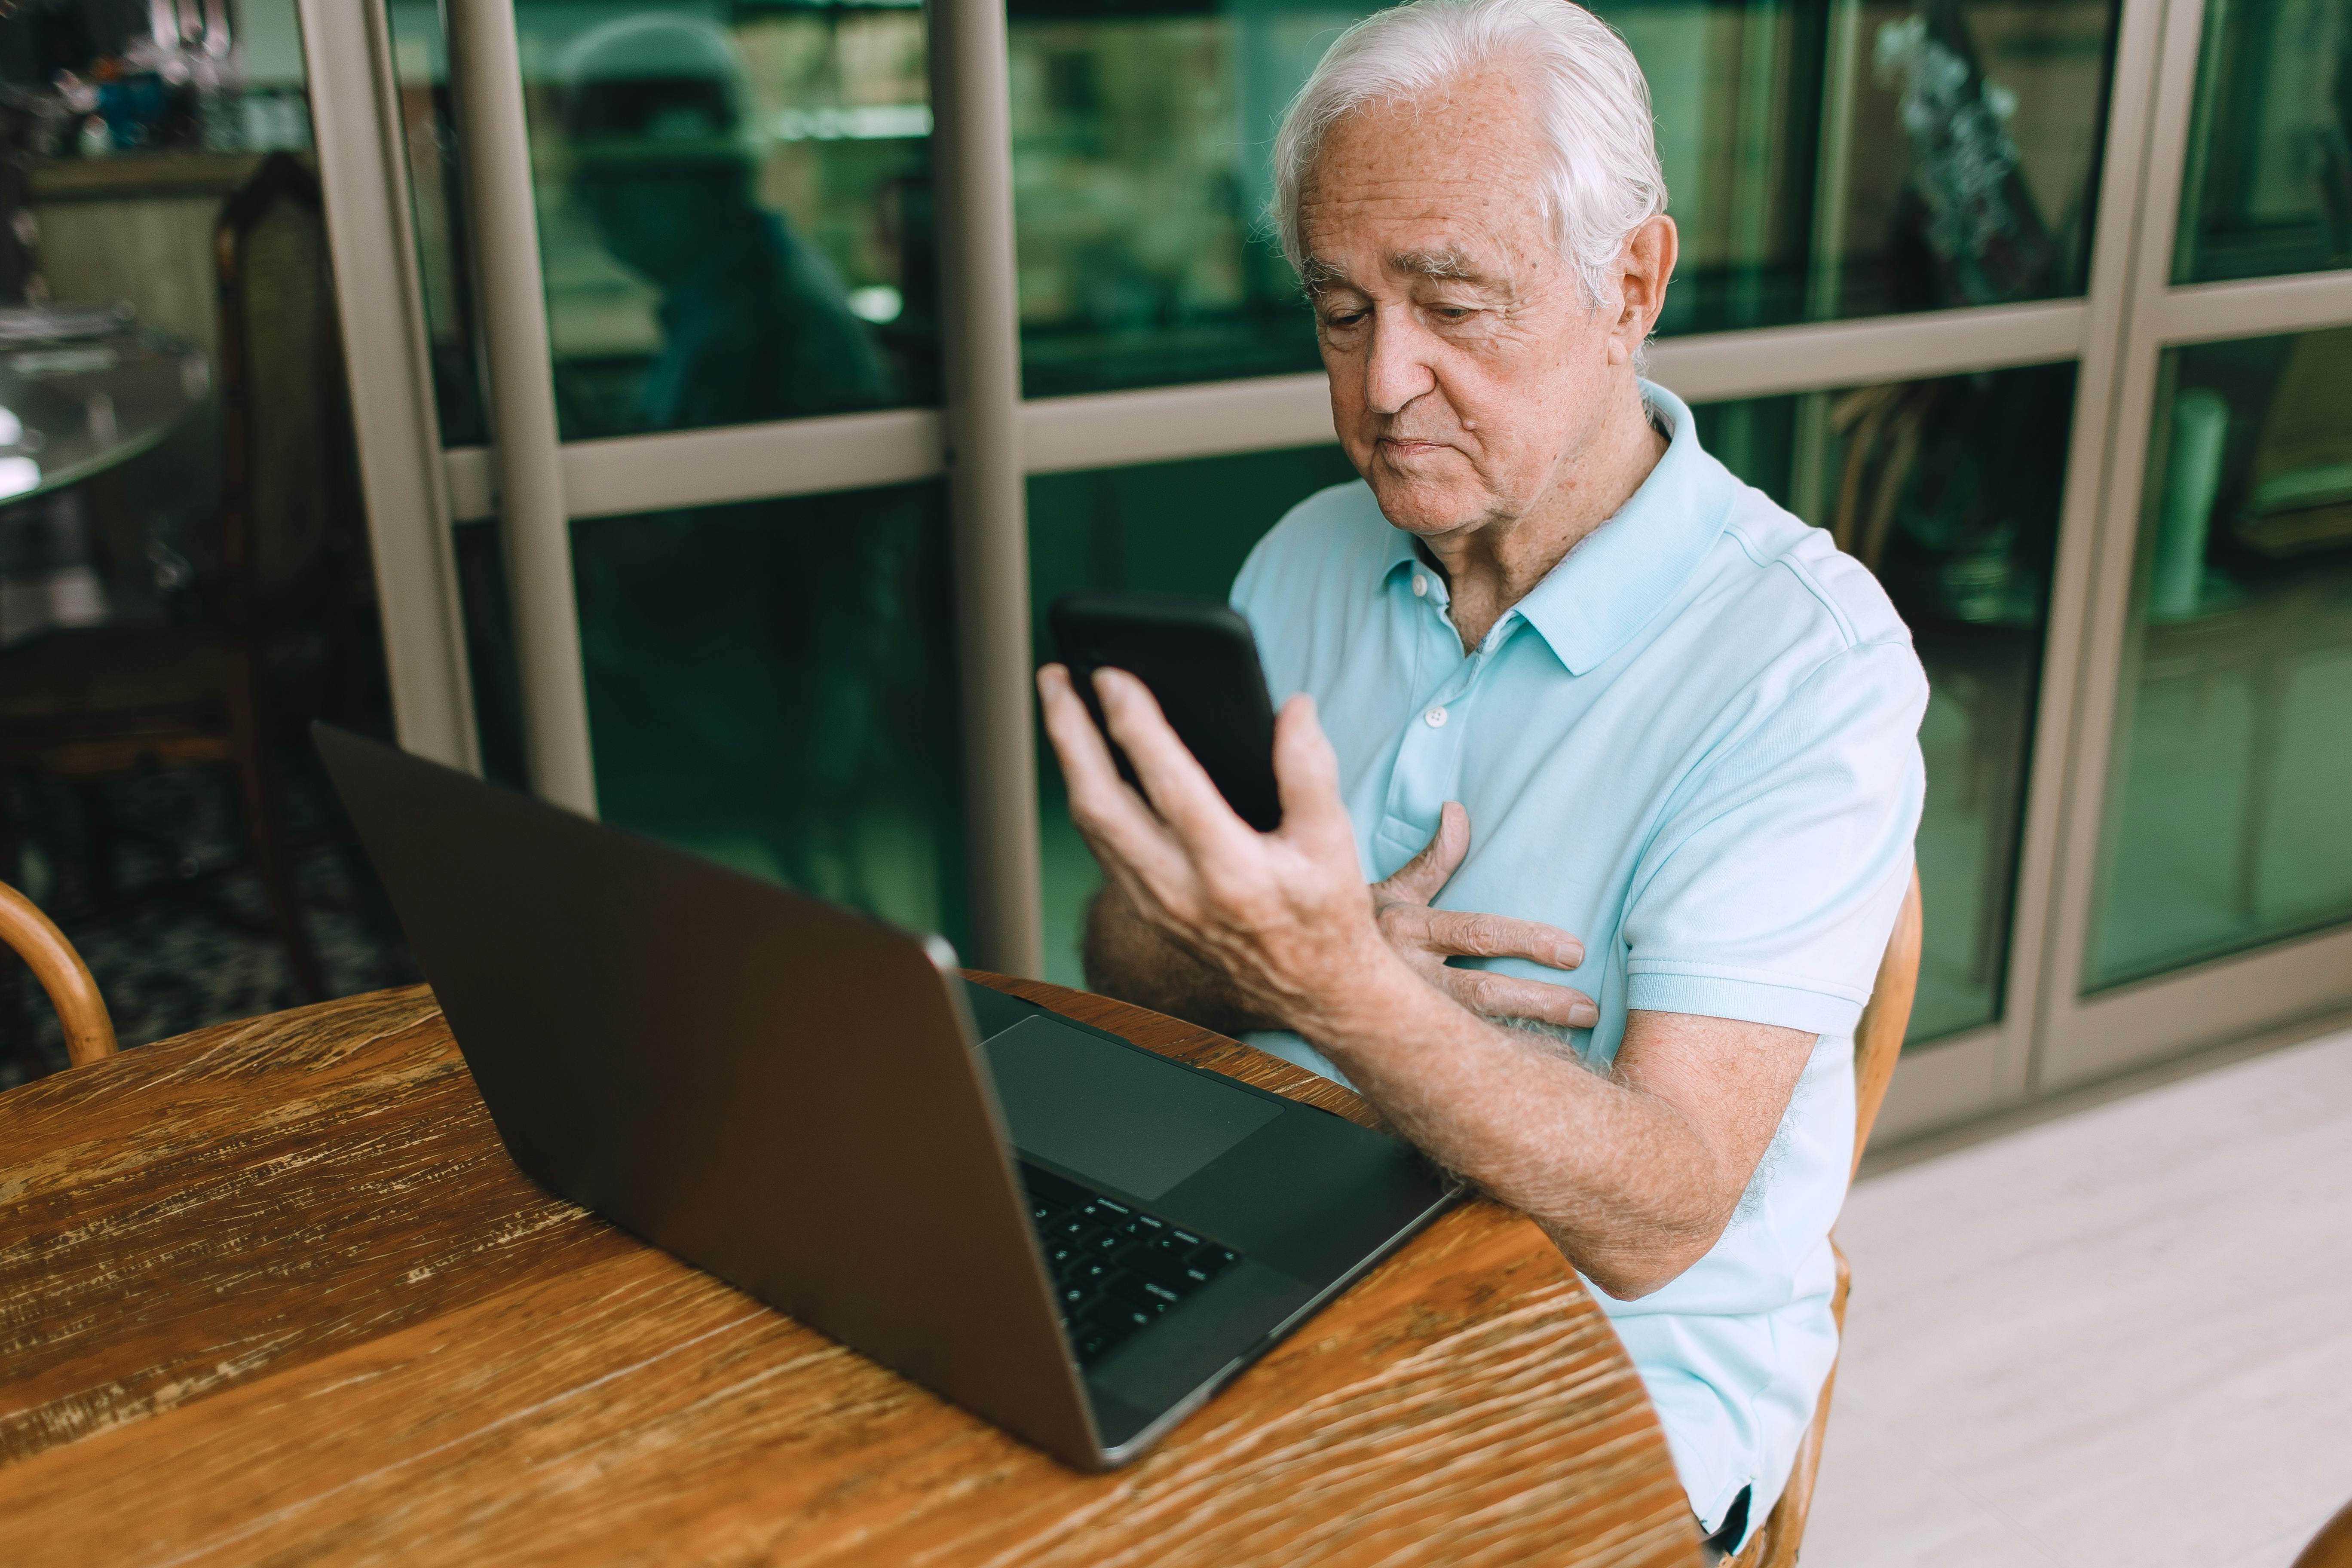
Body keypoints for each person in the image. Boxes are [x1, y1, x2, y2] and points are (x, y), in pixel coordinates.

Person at [1033, 0, 1927, 1555]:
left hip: (1599, 1367)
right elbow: (1130, 964)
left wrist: (1334, 987)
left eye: (1455, 304)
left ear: (1631, 286)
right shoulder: (1306, 558)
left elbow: (1663, 1213)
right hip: (1274, 1244)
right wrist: (1277, 948)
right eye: (1340, 311)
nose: (1385, 387)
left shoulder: (1807, 663)